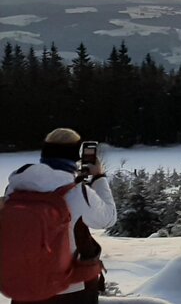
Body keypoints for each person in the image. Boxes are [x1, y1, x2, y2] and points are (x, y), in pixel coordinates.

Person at [2, 128, 117, 304]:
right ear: (75, 156)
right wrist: (99, 177)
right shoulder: (77, 192)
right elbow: (108, 218)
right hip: (72, 288)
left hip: (25, 286)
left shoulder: (16, 188)